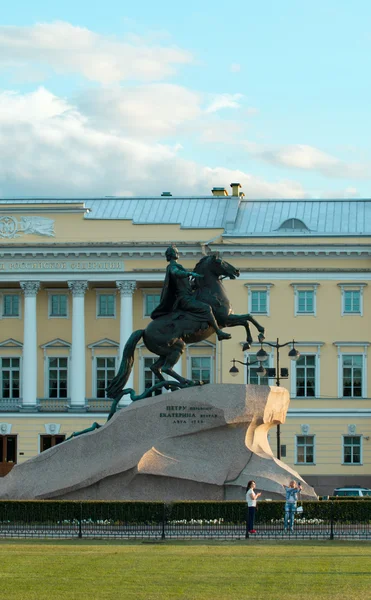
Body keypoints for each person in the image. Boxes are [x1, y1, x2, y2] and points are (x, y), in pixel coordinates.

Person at [151, 246, 231, 341]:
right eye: (176, 252)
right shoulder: (172, 267)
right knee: (206, 308)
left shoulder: (179, 266)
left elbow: (185, 284)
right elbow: (176, 273)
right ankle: (218, 332)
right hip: (185, 299)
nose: (177, 254)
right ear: (173, 255)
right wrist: (189, 274)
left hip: (189, 296)